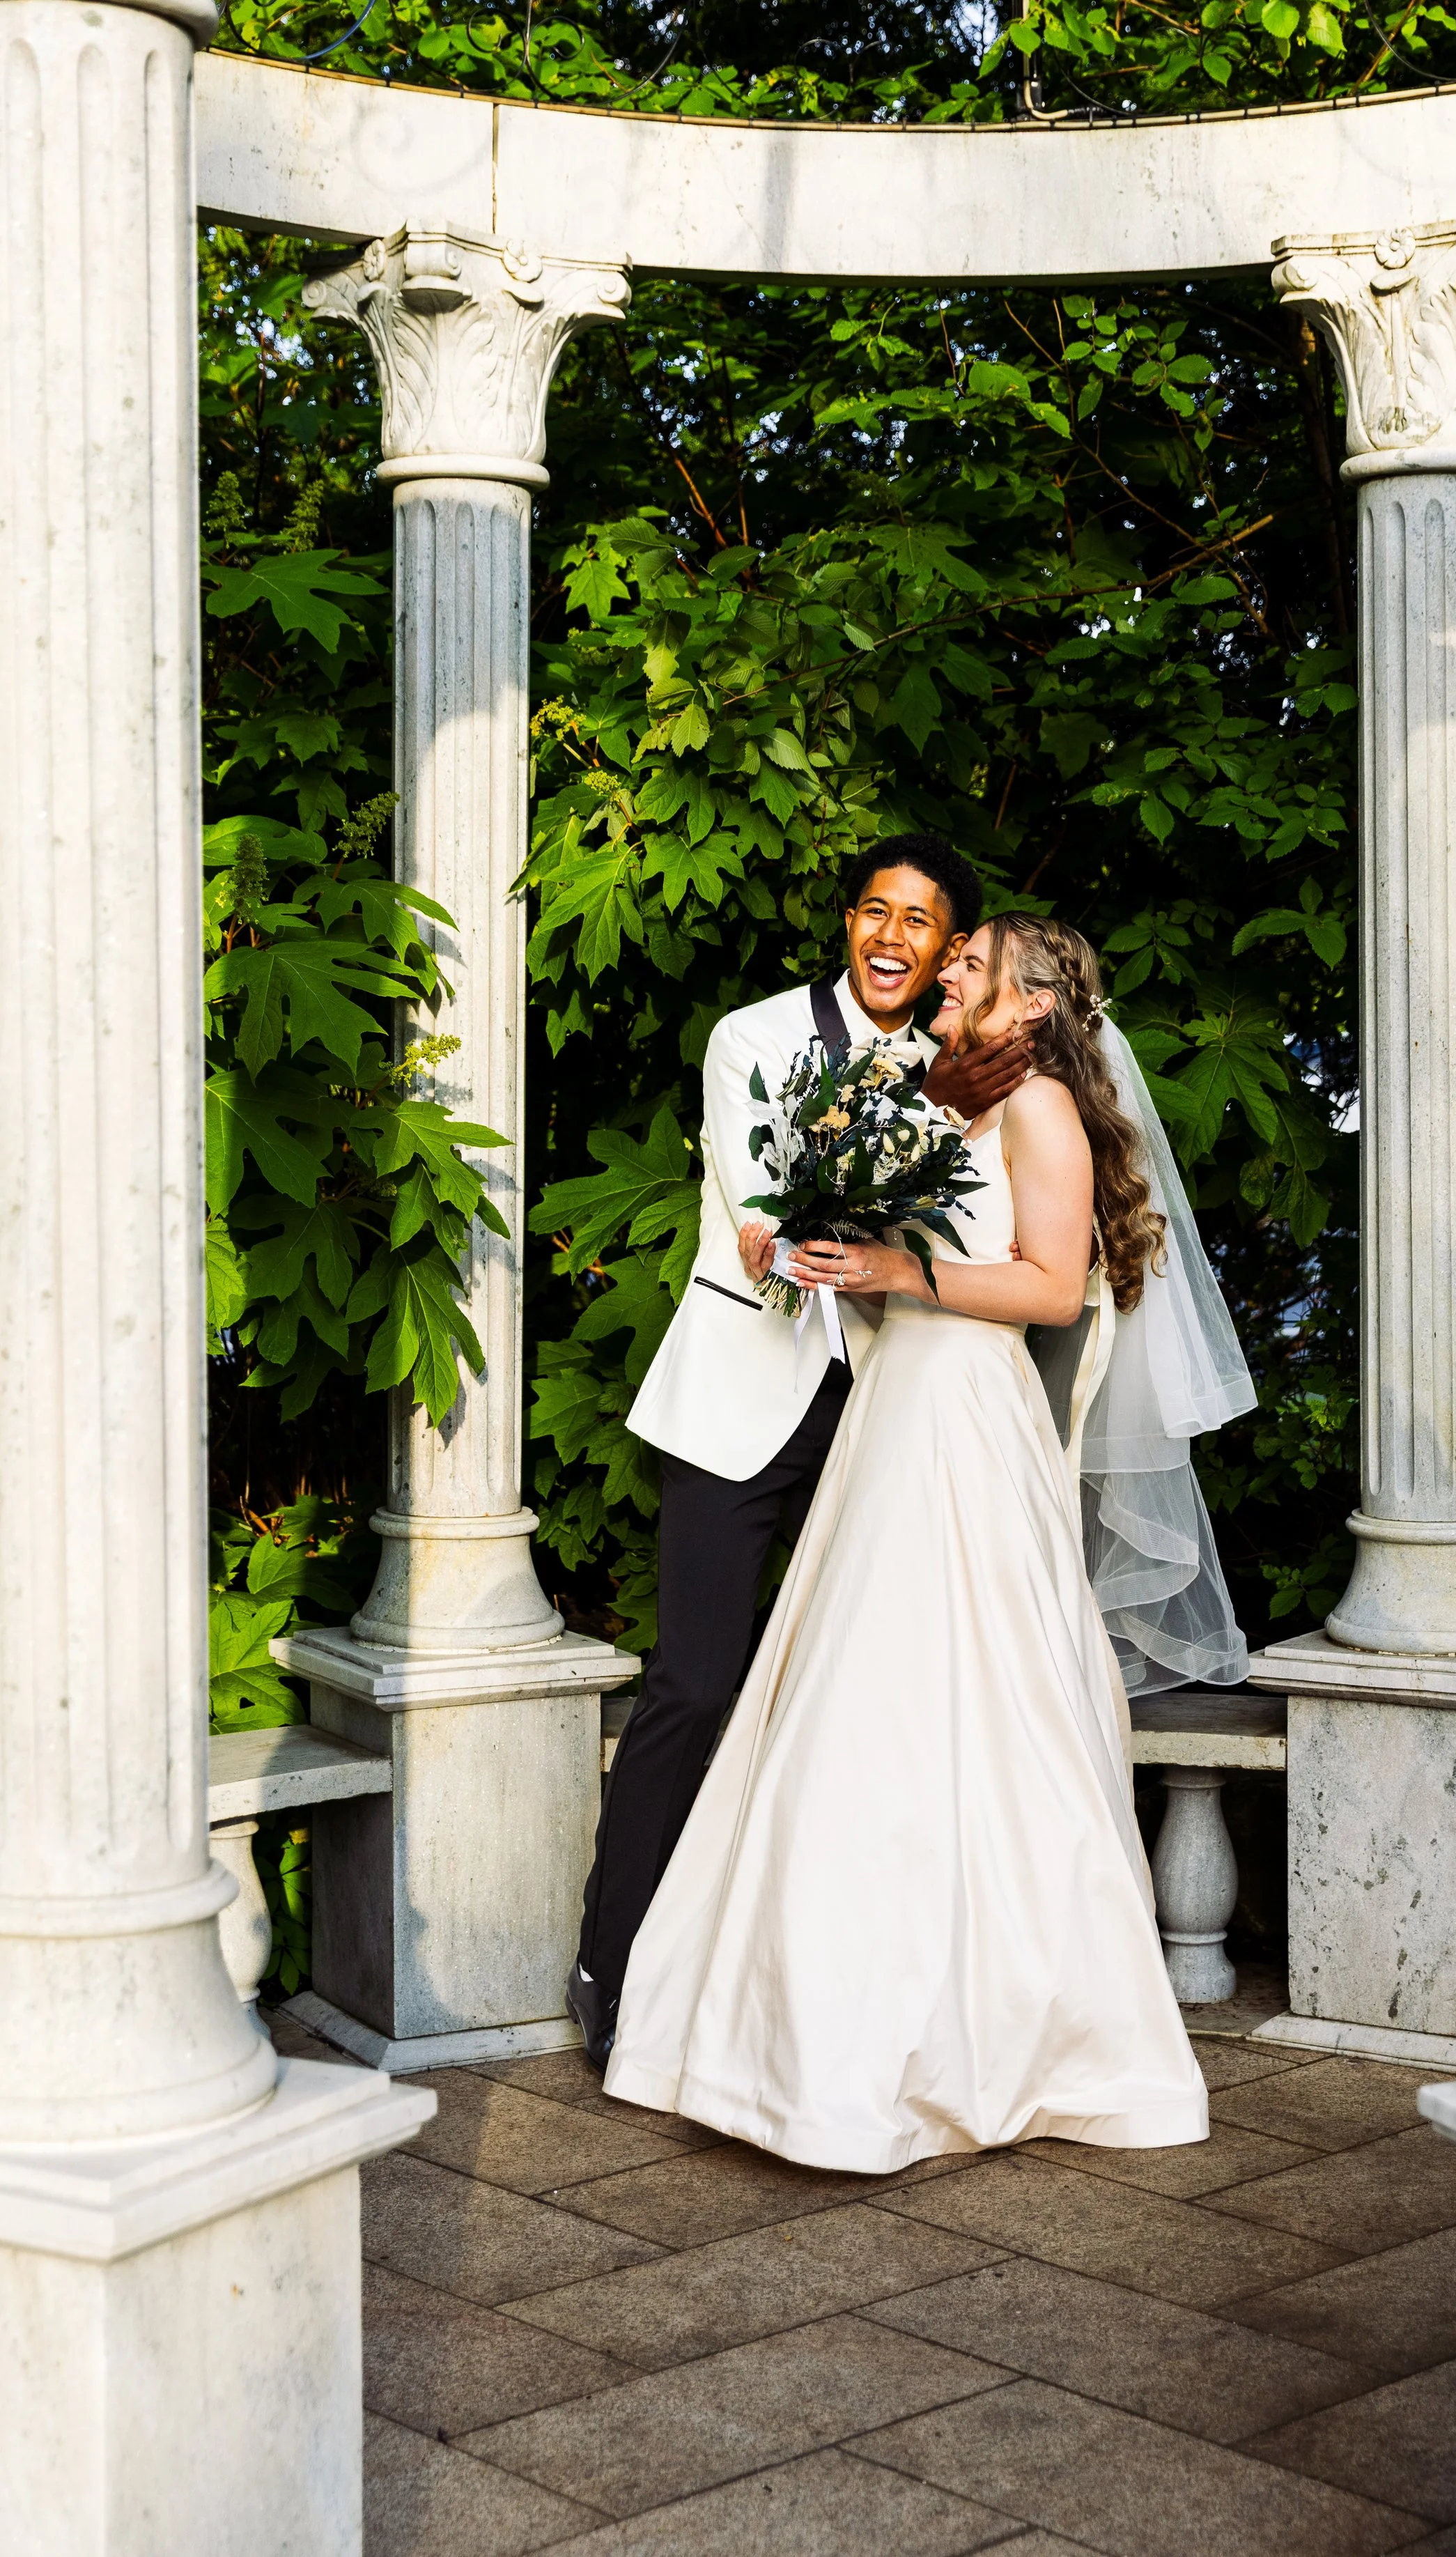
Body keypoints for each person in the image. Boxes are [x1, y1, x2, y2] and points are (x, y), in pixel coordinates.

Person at [601, 916, 1241, 2170]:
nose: (946, 968)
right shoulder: (933, 1097)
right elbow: (873, 1227)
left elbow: (1056, 1287)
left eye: (971, 960)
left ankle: (989, 2040)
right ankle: (802, 2045)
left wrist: (899, 1269)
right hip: (899, 1416)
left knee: (967, 1703)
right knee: (859, 1699)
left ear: (1029, 995)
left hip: (967, 1416)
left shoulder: (1046, 1102)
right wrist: (805, 1245)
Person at [565, 834, 1032, 2070]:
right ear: (847, 923)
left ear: (948, 948)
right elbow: (769, 1220)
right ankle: (611, 1962)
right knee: (697, 1685)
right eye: (874, 911)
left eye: (921, 922)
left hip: (892, 1403)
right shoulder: (754, 1036)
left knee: (872, 1697)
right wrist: (924, 1109)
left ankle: (827, 2004)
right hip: (743, 1391)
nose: (893, 937)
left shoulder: (962, 1057)